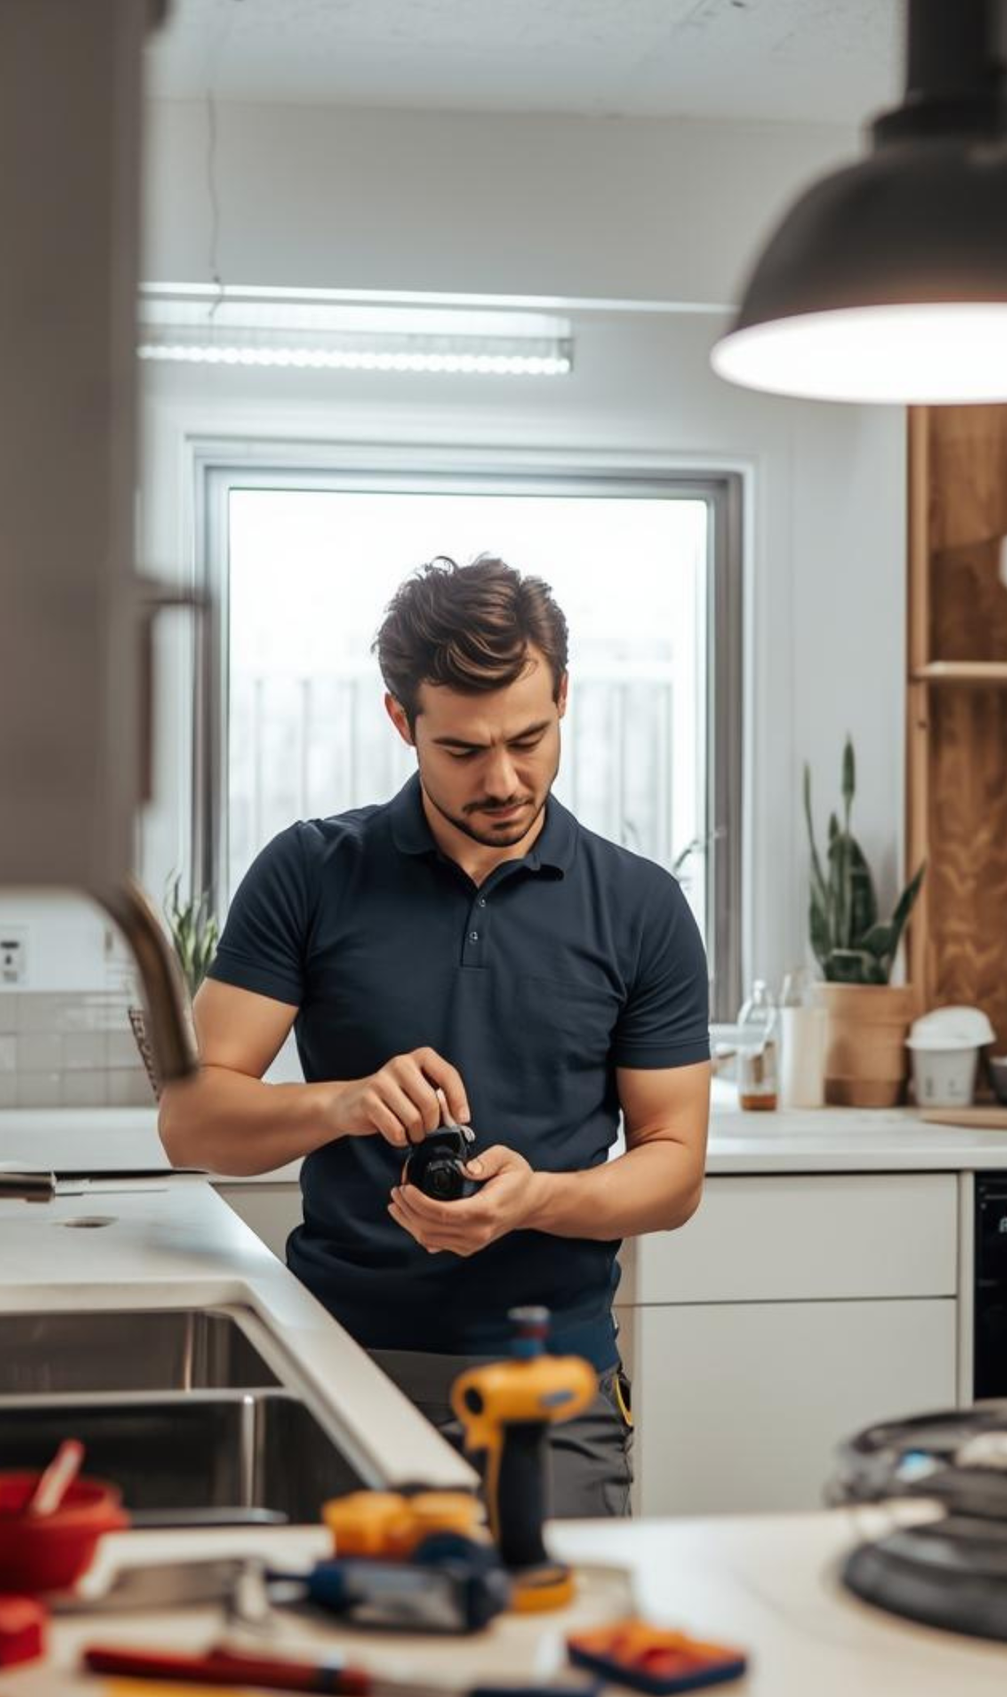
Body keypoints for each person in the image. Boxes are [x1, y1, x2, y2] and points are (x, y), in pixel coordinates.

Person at [158, 554, 711, 1516]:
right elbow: (191, 1123)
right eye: (462, 750)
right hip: (338, 1361)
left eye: (531, 739)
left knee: (555, 1645)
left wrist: (532, 1200)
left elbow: (674, 1169)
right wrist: (342, 1102)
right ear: (400, 721)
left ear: (566, 696)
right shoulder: (308, 872)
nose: (504, 780)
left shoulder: (641, 906)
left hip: (553, 1384)